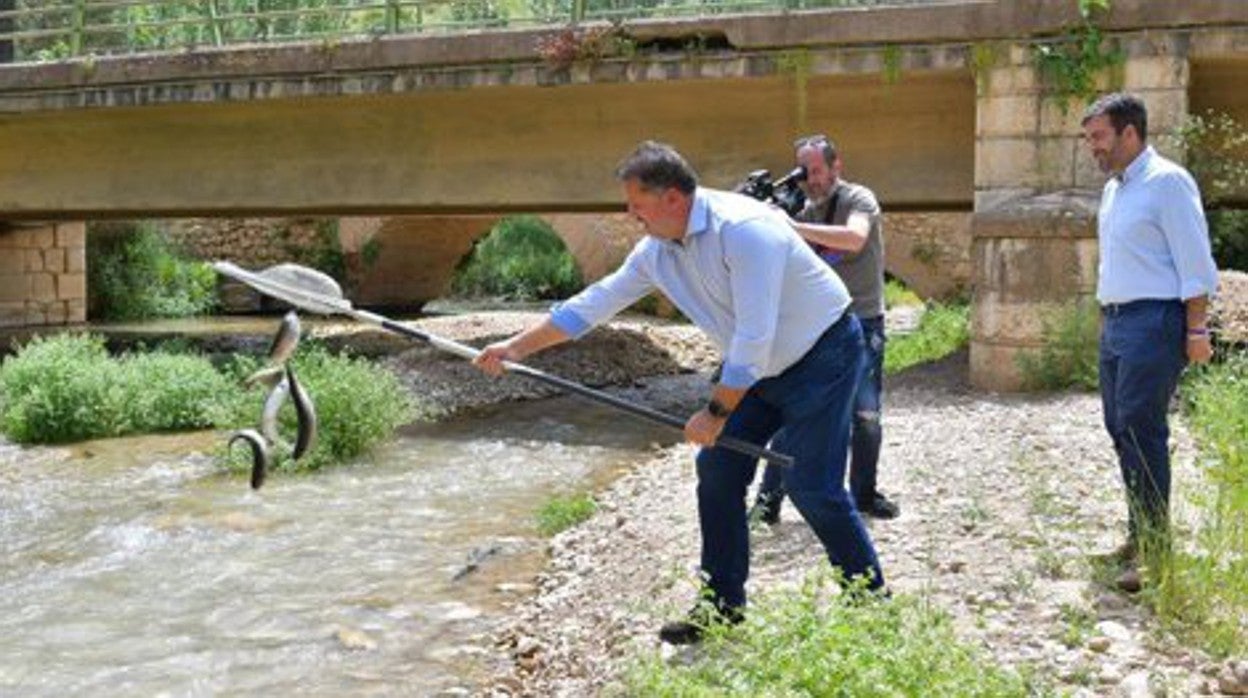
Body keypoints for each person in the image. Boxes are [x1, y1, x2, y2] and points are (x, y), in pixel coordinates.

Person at [473, 141, 885, 644]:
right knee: (717, 471)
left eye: (637, 204)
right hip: (757, 366)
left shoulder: (746, 229)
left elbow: (755, 336)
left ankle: (870, 605)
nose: (631, 215)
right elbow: (594, 303)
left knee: (812, 486)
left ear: (672, 198)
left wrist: (714, 412)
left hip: (824, 355)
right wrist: (515, 348)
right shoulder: (656, 252)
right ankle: (721, 608)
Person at [1080, 93, 1219, 593]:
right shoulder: (1115, 190)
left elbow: (1195, 263)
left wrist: (1197, 328)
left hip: (1154, 321)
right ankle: (1140, 534)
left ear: (1129, 134)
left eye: (1098, 137)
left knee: (1142, 432)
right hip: (1117, 322)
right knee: (1119, 428)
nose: (1092, 147)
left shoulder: (1168, 183)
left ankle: (1156, 553)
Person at [751, 134, 900, 524]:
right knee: (796, 412)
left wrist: (789, 227)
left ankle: (864, 496)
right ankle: (768, 503)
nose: (811, 180)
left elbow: (854, 238)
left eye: (817, 171)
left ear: (837, 167)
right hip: (817, 325)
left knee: (865, 416)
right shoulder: (802, 209)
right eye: (804, 172)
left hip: (863, 319)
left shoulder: (858, 199)